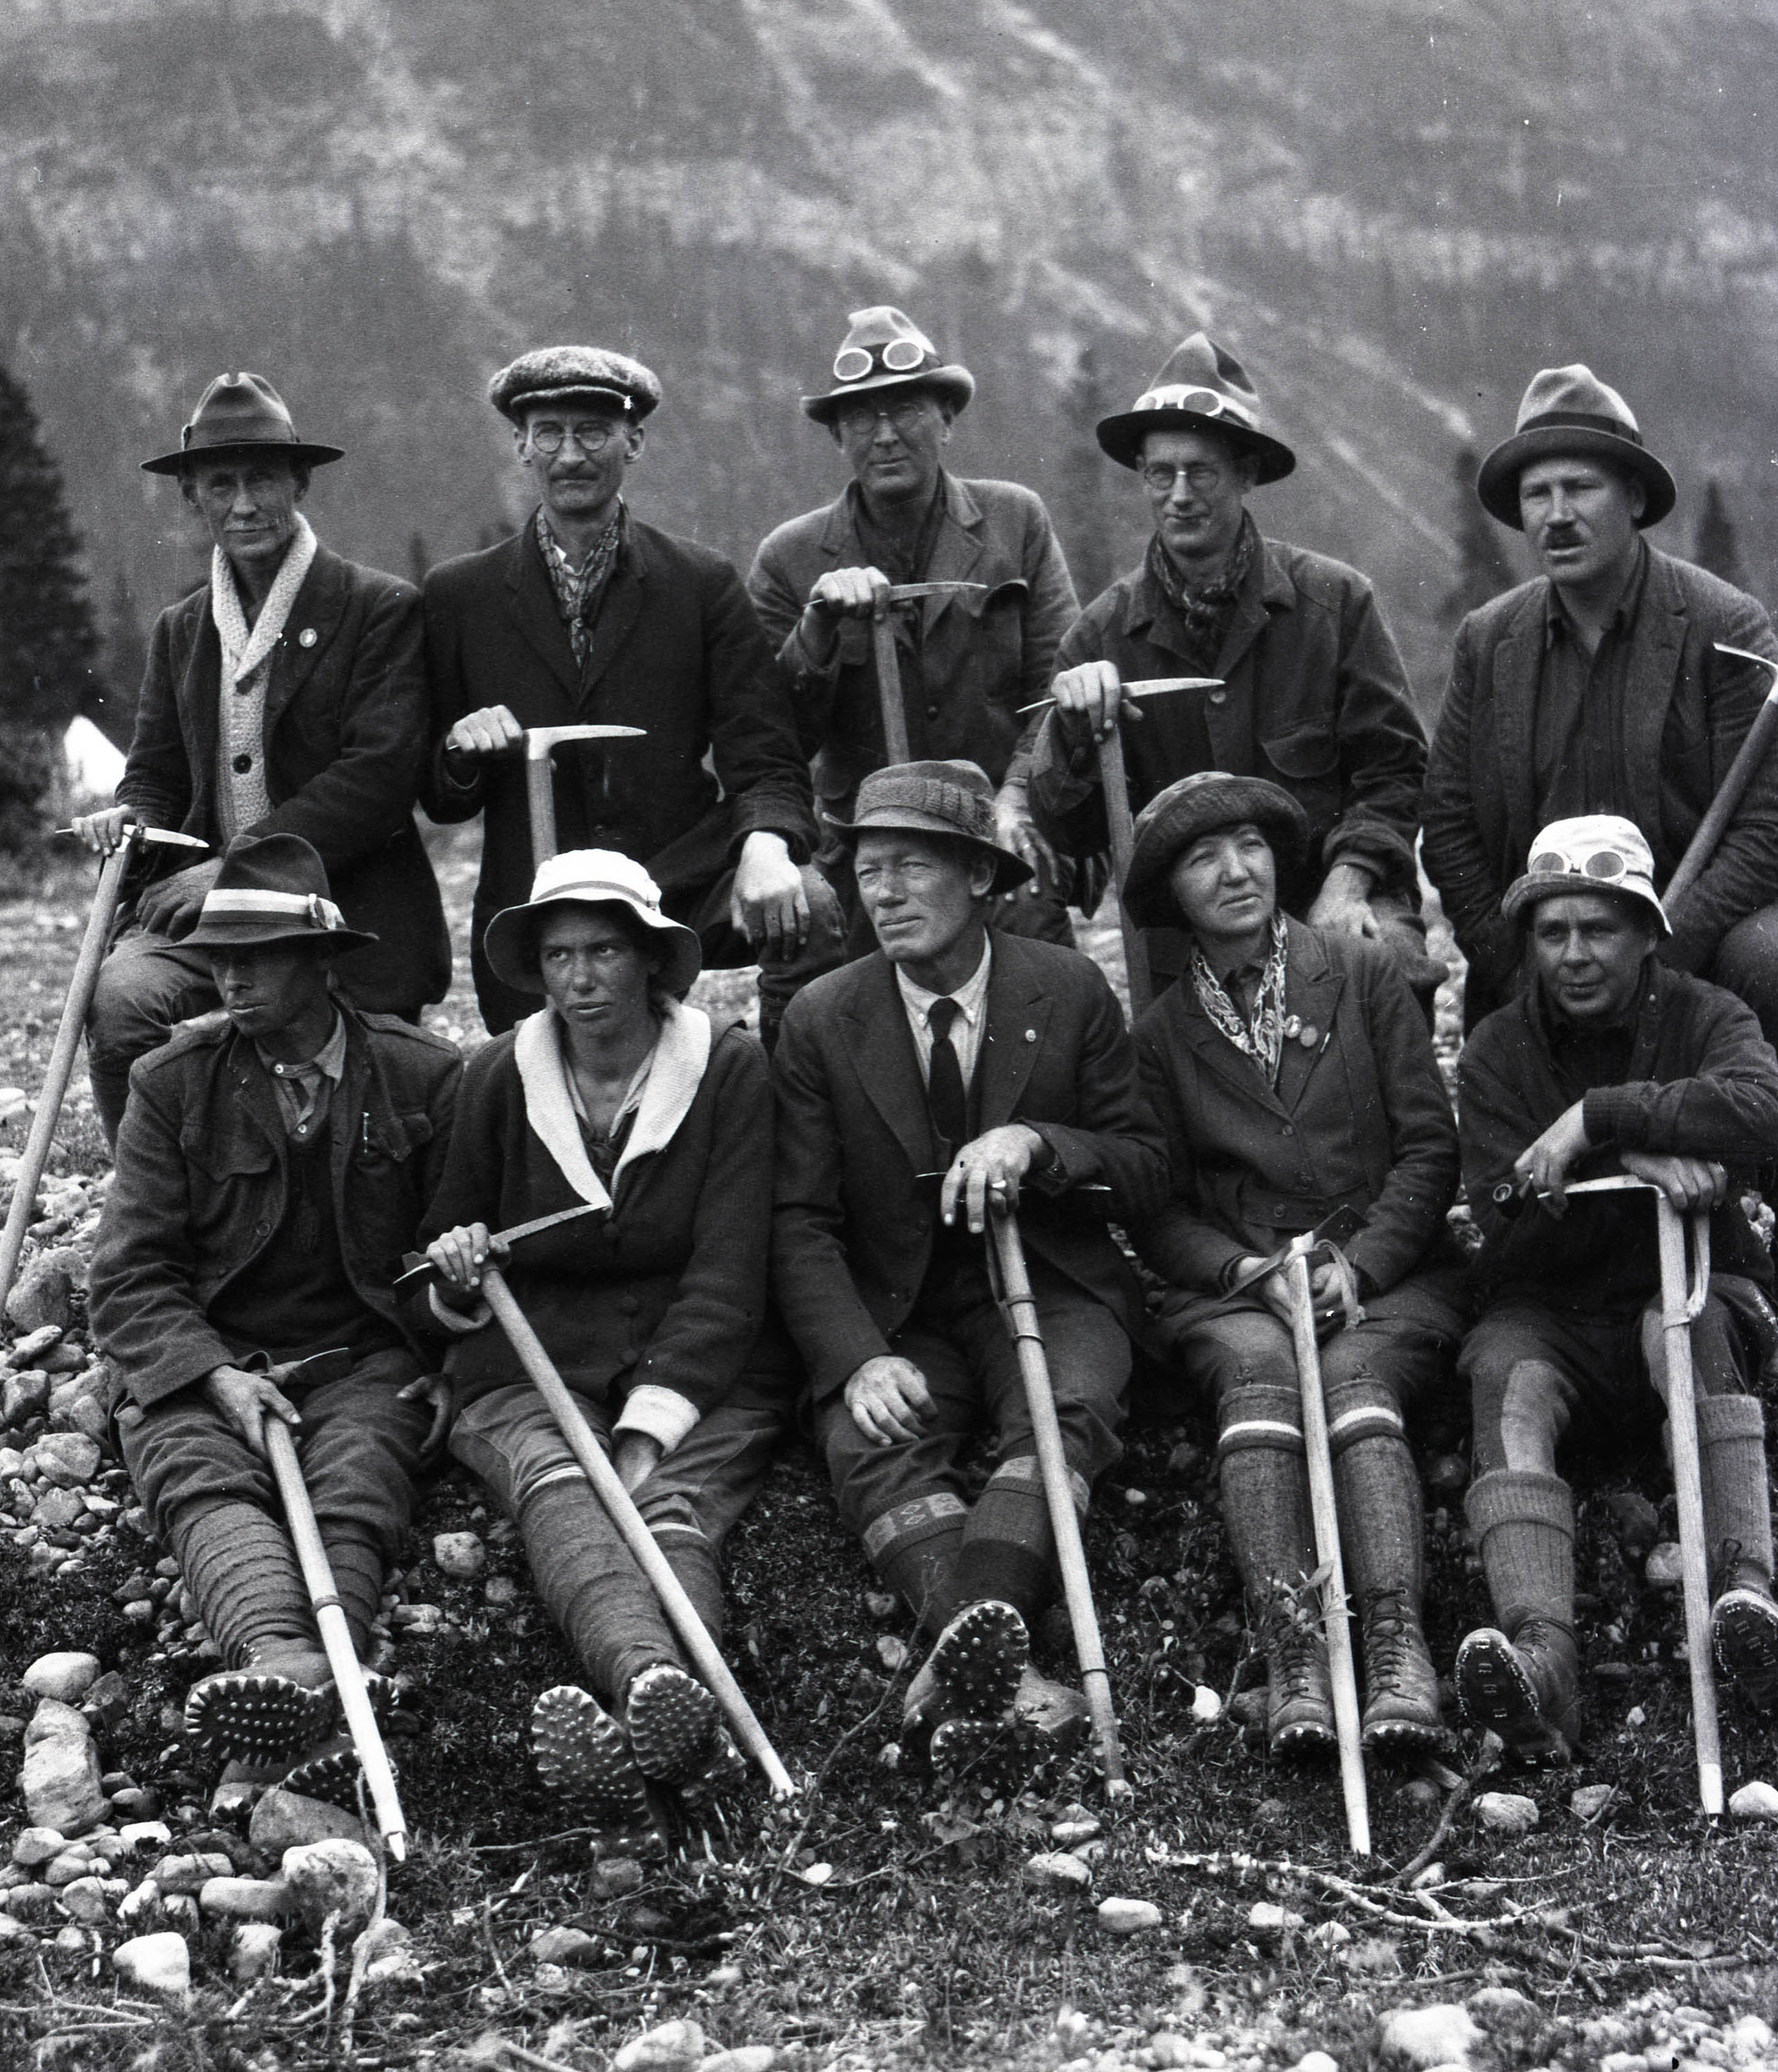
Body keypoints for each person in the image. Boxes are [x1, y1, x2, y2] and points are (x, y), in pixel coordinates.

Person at [1423, 365, 1778, 1385]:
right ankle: (1555, 1252)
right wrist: (1502, 944)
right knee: (1498, 1028)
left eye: (1580, 488)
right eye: (1536, 493)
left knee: (1776, 968)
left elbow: (1776, 825)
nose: (1556, 515)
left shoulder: (1721, 624)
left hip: (1706, 917)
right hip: (1549, 926)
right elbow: (1446, 819)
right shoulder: (1489, 643)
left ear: (1631, 496)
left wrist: (1668, 941)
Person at [771, 761, 1165, 1776]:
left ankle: (955, 1649)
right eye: (867, 872)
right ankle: (1003, 1667)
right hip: (897, 1310)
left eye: (910, 867)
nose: (886, 894)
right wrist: (856, 1358)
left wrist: (1038, 1142)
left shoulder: (1066, 987)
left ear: (979, 879)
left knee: (1064, 1404)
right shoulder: (823, 1015)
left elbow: (1144, 1169)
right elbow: (800, 1220)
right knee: (870, 1436)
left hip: (1046, 1278)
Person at [414, 851, 785, 1833]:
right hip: (532, 1360)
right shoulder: (494, 1076)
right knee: (561, 1482)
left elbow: (729, 1270)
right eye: (558, 956)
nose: (579, 979)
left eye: (605, 952)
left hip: (699, 1358)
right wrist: (453, 1267)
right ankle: (651, 1685)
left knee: (668, 1497)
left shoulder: (730, 1070)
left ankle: (683, 1722)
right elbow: (436, 1251)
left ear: (652, 961)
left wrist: (652, 1423)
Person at [88, 835, 461, 1800]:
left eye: (255, 956)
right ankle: (285, 1659)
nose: (230, 977)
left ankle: (330, 1672)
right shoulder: (173, 1082)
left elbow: (453, 1253)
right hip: (213, 1353)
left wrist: (449, 1354)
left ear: (321, 963)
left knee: (365, 1462)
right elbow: (130, 1272)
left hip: (360, 1355)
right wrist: (216, 1376)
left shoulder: (424, 1075)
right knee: (191, 1462)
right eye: (218, 957)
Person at [1451, 815, 1778, 1763]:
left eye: (1597, 929)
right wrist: (1641, 1152)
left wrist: (1598, 1117)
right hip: (1554, 1308)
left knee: (1681, 1329)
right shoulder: (1495, 1048)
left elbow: (1767, 1116)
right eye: (1551, 932)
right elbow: (1504, 1204)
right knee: (1504, 1375)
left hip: (1686, 1282)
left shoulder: (1705, 1016)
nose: (1572, 955)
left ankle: (1744, 1601)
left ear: (1647, 931)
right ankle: (1543, 1661)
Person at [1126, 774, 1466, 1756]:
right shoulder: (1156, 1037)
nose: (1233, 872)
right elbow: (1158, 1211)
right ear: (1171, 895)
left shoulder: (1359, 976)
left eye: (1249, 847)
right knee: (1259, 1375)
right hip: (1235, 1291)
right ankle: (1295, 1660)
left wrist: (1357, 1265)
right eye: (1200, 859)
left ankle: (1398, 1653)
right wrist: (1245, 1273)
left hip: (1385, 1272)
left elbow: (1428, 1150)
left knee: (1357, 1374)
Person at [73, 372, 449, 1145]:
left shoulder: (377, 607)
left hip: (344, 913)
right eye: (221, 484)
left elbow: (378, 779)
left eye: (263, 479)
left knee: (361, 1126)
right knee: (120, 1002)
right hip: (215, 922)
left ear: (301, 482)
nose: (244, 504)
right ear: (192, 498)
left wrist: (238, 863)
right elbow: (154, 773)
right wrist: (131, 819)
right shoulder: (181, 630)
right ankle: (157, 1198)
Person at [423, 347, 832, 1037]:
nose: (571, 454)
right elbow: (439, 792)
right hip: (535, 896)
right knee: (541, 1091)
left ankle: (793, 1111)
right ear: (521, 444)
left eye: (593, 431)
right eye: (549, 431)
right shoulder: (459, 595)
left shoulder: (701, 583)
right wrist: (462, 751)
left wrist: (766, 842)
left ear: (633, 440)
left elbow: (763, 751)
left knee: (809, 909)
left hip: (678, 878)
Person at [1024, 334, 1434, 999]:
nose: (1179, 494)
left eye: (1202, 472)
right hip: (1182, 933)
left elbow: (1396, 770)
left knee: (1385, 962)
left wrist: (1350, 880)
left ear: (1246, 475)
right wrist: (1070, 728)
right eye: (1161, 473)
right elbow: (1069, 832)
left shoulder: (1336, 603)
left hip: (1324, 897)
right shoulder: (1099, 636)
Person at [747, 304, 1083, 970]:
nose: (885, 435)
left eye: (905, 410)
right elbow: (767, 735)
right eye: (861, 418)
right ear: (837, 436)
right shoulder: (789, 557)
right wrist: (816, 632)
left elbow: (1057, 684)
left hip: (991, 841)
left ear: (947, 420)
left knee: (1046, 1011)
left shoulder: (1015, 521)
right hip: (860, 859)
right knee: (819, 1019)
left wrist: (1016, 800)